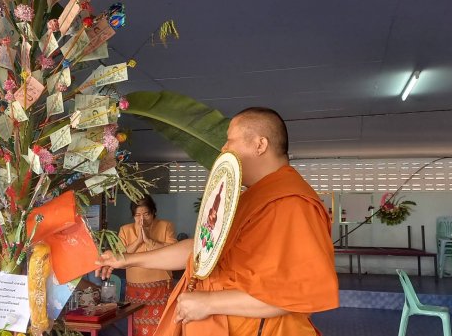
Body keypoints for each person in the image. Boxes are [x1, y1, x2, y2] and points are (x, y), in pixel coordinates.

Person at [98, 107, 339, 336]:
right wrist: (126, 259)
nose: (223, 148)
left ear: (260, 144)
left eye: (230, 140)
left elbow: (296, 291)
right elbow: (201, 250)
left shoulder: (291, 203)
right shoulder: (247, 199)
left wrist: (210, 302)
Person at [118, 194, 178, 336]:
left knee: (163, 328)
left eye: (146, 214)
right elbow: (119, 257)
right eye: (137, 215)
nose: (142, 219)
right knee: (136, 328)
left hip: (161, 289)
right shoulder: (125, 230)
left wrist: (149, 241)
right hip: (135, 290)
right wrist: (138, 241)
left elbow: (173, 252)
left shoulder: (166, 226)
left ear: (153, 212)